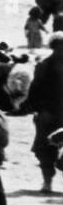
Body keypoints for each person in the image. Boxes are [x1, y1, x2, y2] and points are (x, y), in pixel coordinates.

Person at [26, 32, 63, 193]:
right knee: (44, 148)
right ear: (54, 47)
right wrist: (38, 110)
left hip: (53, 113)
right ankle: (47, 182)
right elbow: (34, 91)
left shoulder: (44, 65)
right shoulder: (43, 66)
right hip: (48, 113)